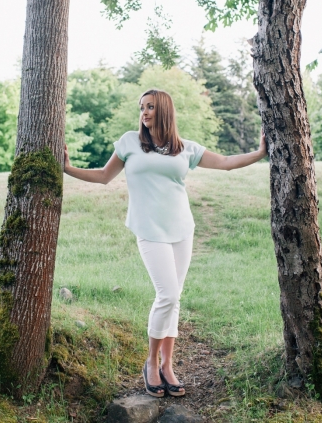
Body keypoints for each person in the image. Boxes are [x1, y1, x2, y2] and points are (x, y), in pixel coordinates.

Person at [63, 89, 267, 398]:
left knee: (175, 299)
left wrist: (260, 153)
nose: (144, 112)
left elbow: (225, 162)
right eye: (141, 107)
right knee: (167, 295)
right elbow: (104, 176)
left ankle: (168, 366)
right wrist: (67, 168)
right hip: (149, 229)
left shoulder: (184, 148)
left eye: (150, 107)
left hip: (182, 229)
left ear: (164, 111)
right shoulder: (130, 142)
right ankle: (151, 363)